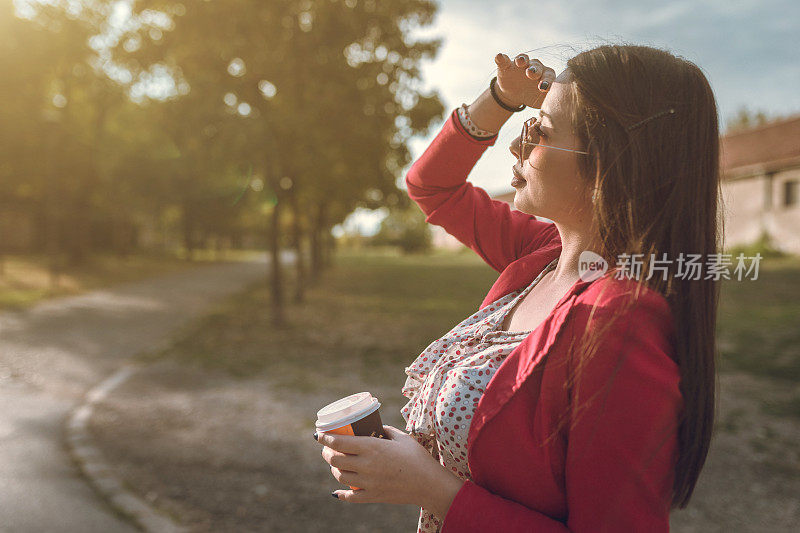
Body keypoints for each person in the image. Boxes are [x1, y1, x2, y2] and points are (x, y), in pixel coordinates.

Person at [315, 43, 720, 532]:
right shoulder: (545, 252)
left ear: (608, 165)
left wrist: (429, 486)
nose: (516, 146)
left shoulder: (618, 321)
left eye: (540, 130)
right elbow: (432, 186)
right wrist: (502, 97)